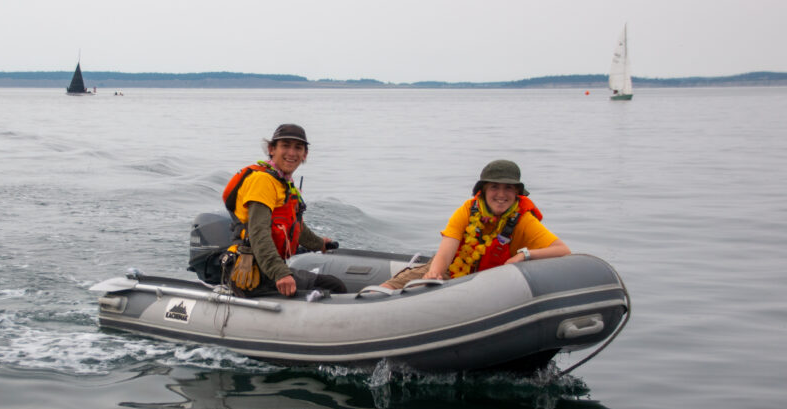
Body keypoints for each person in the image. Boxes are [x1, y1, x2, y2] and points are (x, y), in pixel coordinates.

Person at [381, 160, 570, 290]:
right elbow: (446, 251)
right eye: (494, 187)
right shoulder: (467, 210)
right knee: (386, 289)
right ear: (483, 190)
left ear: (517, 192)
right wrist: (434, 274)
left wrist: (524, 255)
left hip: (493, 282)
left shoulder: (524, 220)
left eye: (508, 188)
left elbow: (562, 250)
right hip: (452, 268)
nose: (501, 194)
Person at [221, 124, 346, 297]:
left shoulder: (283, 182)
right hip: (251, 272)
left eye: (298, 148)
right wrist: (280, 273)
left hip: (266, 267)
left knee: (330, 283)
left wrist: (319, 244)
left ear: (305, 154)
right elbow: (258, 233)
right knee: (334, 286)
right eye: (285, 145)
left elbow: (293, 225)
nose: (292, 153)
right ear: (272, 149)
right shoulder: (263, 182)